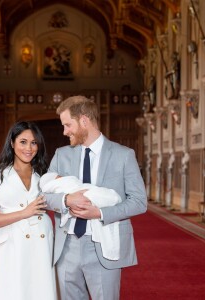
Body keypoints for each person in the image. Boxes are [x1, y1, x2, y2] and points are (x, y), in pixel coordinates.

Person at [44, 95, 147, 300]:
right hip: (67, 247)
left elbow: (139, 202)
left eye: (67, 125)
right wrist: (66, 200)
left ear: (84, 120)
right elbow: (43, 195)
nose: (64, 132)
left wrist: (99, 213)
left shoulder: (123, 155)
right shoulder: (61, 154)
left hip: (103, 245)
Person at [0, 121, 57, 300]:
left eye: (34, 142)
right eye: (23, 142)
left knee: (42, 290)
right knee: (13, 291)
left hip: (42, 241)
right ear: (12, 143)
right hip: (11, 244)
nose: (29, 148)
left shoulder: (45, 174)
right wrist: (24, 213)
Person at [40, 172, 122, 260]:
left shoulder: (124, 158)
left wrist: (100, 213)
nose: (62, 177)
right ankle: (112, 197)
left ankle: (112, 197)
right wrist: (66, 200)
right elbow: (42, 197)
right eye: (58, 177)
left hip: (99, 243)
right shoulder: (59, 160)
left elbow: (137, 200)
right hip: (67, 243)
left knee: (98, 194)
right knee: (93, 195)